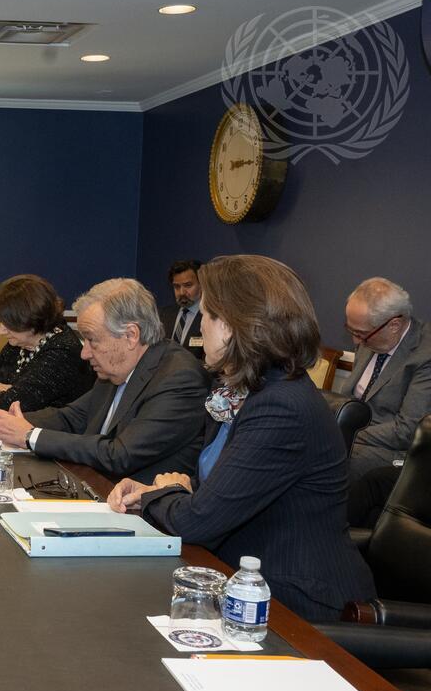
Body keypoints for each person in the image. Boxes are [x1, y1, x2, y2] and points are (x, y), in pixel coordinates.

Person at [108, 255, 376, 622]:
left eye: (207, 315)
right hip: (237, 576)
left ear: (234, 326)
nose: (201, 324)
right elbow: (219, 491)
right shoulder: (239, 391)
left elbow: (196, 522)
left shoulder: (281, 406)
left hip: (295, 602)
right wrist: (153, 491)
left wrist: (159, 494)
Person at [0, 278, 208, 482]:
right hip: (91, 484)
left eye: (92, 340)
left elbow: (120, 454)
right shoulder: (115, 369)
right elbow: (71, 417)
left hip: (135, 507)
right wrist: (6, 423)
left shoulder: (178, 378)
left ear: (131, 335)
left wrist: (29, 436)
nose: (84, 353)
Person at [337, 277, 431, 481]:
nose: (356, 341)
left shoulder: (426, 354)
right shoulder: (373, 336)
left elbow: (406, 431)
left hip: (392, 450)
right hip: (352, 433)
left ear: (394, 325)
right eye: (351, 331)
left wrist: (345, 431)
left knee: (329, 461)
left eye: (361, 334)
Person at [0, 274, 94, 411]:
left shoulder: (62, 352)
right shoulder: (20, 343)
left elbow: (13, 403)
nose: (1, 331)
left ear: (32, 320)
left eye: (9, 323)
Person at [158, 259, 205, 362]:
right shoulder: (163, 314)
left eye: (188, 285)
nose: (182, 292)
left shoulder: (210, 317)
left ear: (201, 285)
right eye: (176, 287)